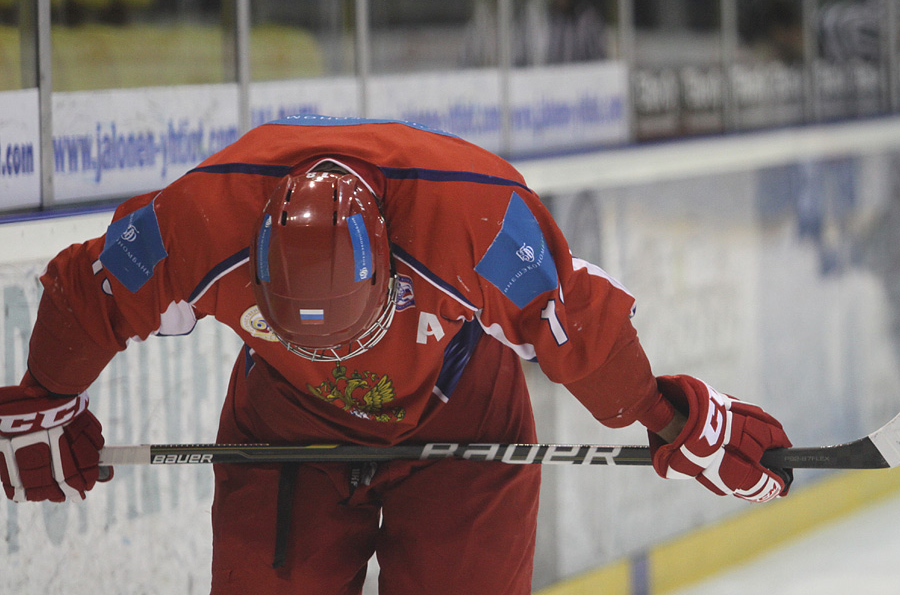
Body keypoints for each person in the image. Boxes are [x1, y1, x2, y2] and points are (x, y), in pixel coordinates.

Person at [0, 115, 792, 595]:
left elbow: (572, 323)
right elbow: (91, 293)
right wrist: (44, 397)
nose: (343, 354)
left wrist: (671, 417)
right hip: (285, 428)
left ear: (386, 252)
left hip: (464, 424)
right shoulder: (202, 219)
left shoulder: (468, 214)